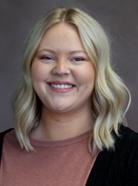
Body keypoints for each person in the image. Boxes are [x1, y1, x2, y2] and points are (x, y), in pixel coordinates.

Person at [0, 7, 138, 186]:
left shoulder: (132, 155)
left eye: (77, 59)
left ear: (98, 71)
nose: (61, 69)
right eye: (47, 57)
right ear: (30, 66)